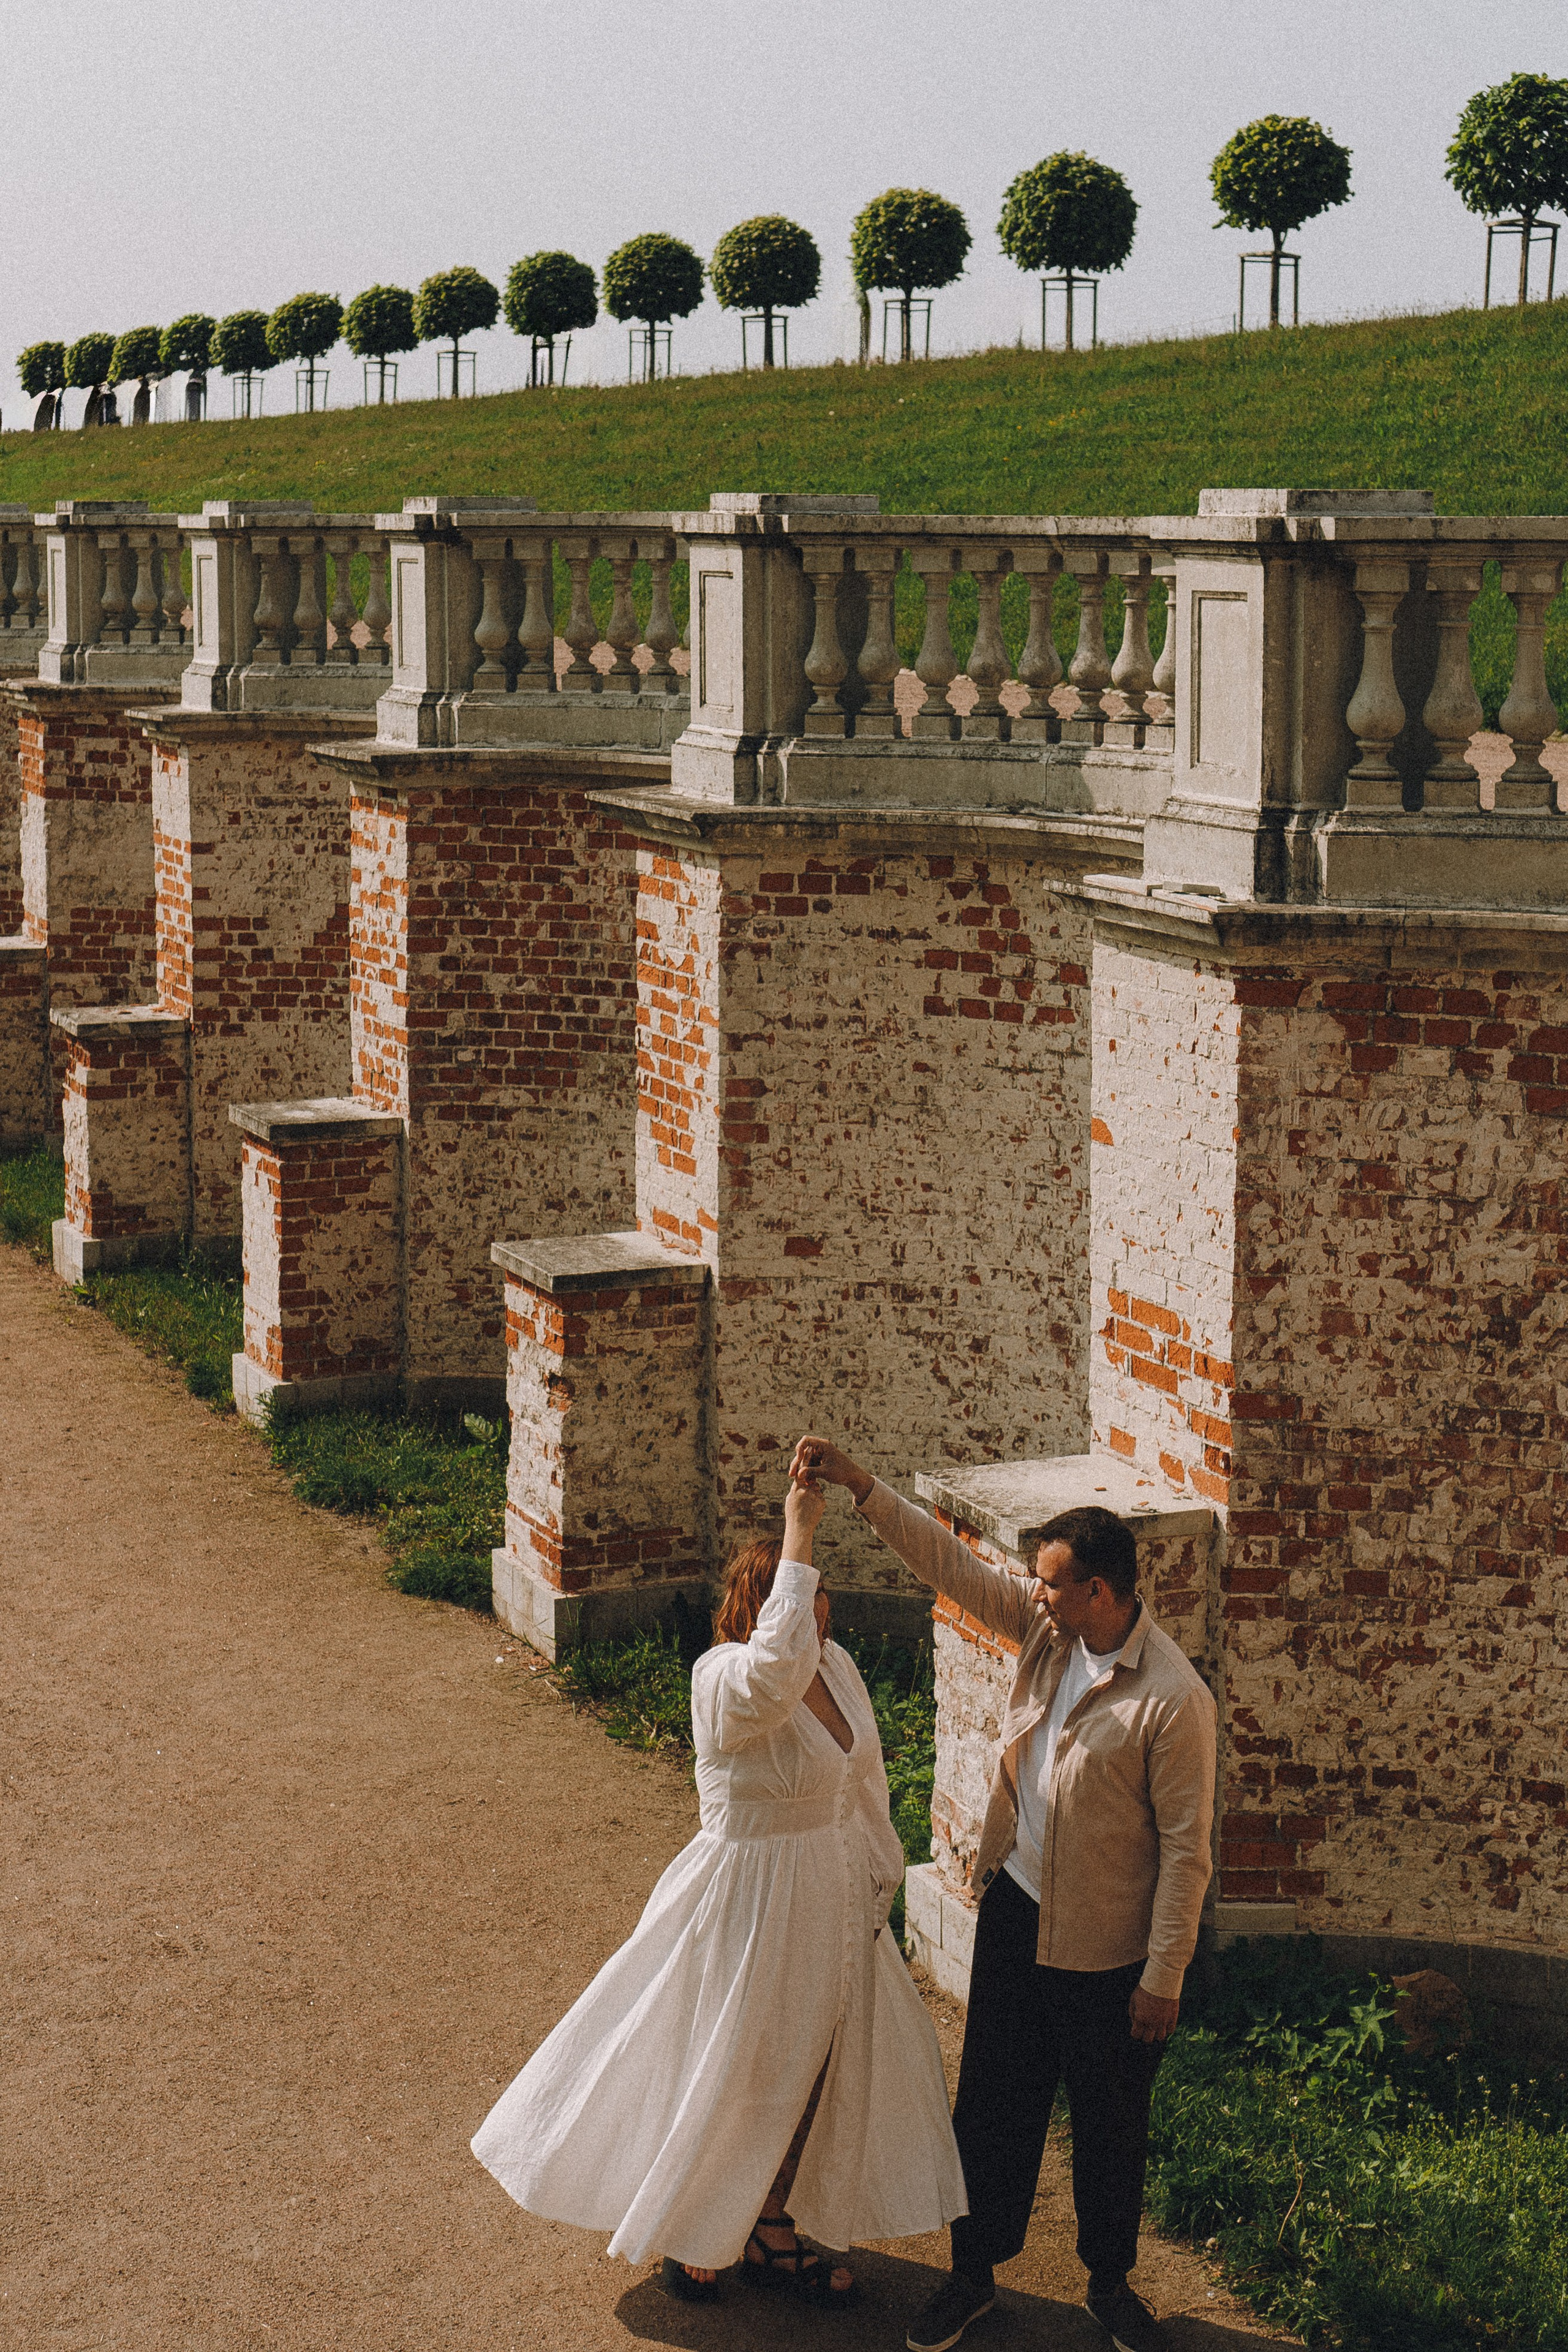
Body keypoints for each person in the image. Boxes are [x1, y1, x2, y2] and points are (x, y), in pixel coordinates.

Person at [471, 1469, 967, 2304]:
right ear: (765, 1609)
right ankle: (697, 2219)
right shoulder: (724, 1678)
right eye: (802, 1603)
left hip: (827, 1892)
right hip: (749, 1893)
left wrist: (876, 1879)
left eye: (821, 1605)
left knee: (818, 2065)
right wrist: (801, 1526)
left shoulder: (837, 1667)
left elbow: (861, 1778)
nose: (819, 1619)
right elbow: (775, 1674)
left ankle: (771, 2223)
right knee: (738, 2060)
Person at [790, 1436, 1218, 2352]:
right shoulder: (1046, 1632)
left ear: (1100, 1591)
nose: (1037, 1594)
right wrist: (864, 1485)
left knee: (1110, 2126)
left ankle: (1110, 2286)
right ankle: (971, 2276)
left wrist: (1165, 1975)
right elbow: (950, 1565)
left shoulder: (1173, 1702)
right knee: (991, 2107)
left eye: (1053, 1583)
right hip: (1020, 1913)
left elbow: (1188, 1851)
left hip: (1111, 1954)